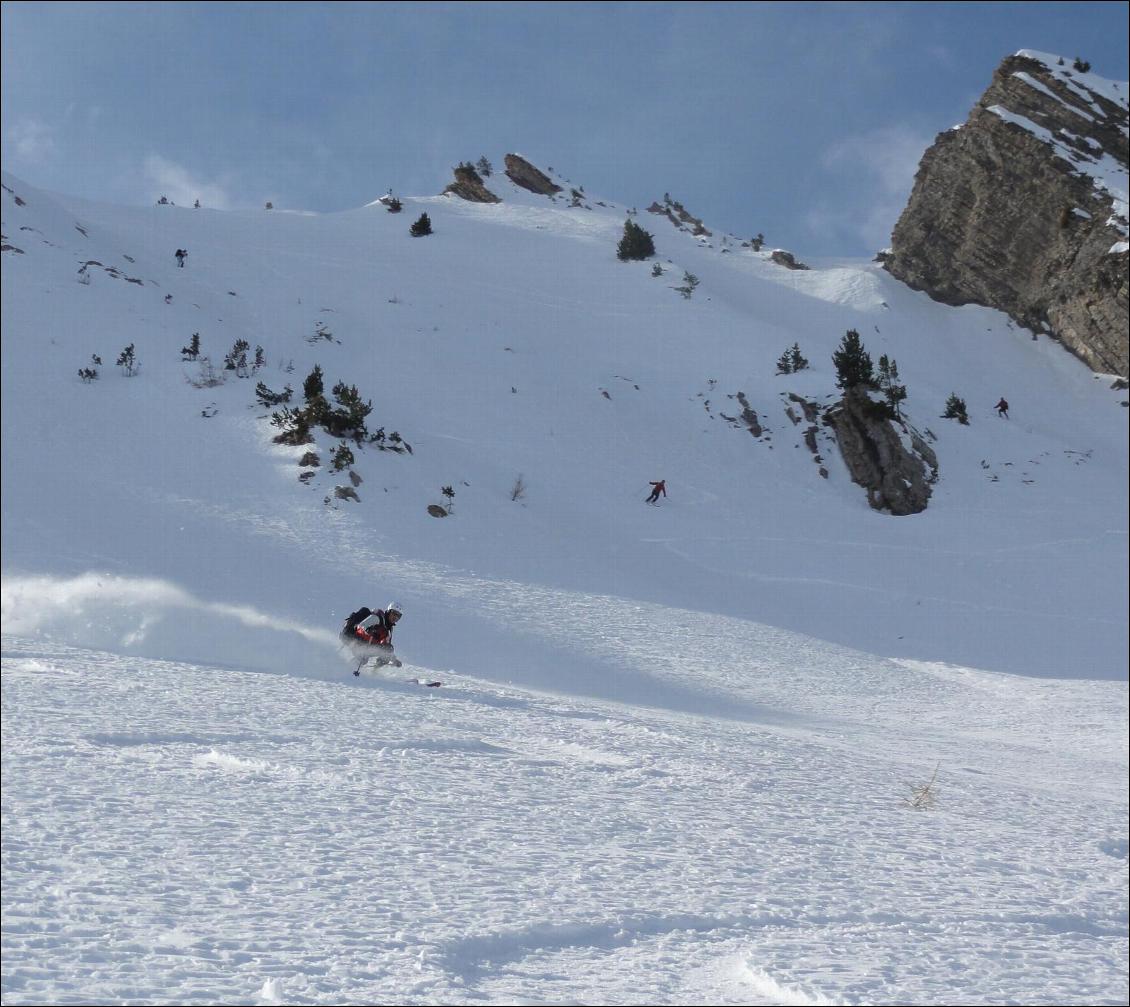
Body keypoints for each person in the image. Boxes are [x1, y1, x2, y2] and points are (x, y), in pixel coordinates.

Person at [343, 602, 404, 675]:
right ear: (388, 611)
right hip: (355, 639)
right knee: (363, 658)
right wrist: (369, 630)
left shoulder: (389, 628)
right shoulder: (378, 618)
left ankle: (374, 673)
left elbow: (387, 645)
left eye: (399, 616)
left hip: (368, 644)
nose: (395, 617)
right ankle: (347, 670)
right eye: (394, 613)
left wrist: (394, 660)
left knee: (388, 649)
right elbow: (360, 626)